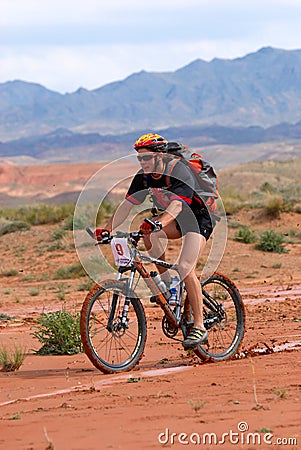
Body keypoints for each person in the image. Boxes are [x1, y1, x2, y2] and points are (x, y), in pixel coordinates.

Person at [94, 133, 216, 349]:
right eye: (140, 159)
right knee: (147, 232)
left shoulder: (179, 171)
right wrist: (107, 229)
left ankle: (199, 326)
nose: (143, 163)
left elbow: (178, 206)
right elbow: (127, 205)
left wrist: (159, 222)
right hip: (175, 218)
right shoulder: (143, 177)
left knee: (186, 267)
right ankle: (167, 285)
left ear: (160, 156)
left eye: (147, 158)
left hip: (198, 218)